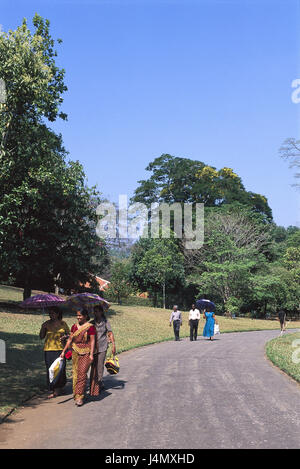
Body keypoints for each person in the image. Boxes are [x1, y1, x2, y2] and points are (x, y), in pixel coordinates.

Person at [60, 309, 96, 406]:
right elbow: (70, 339)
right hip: (75, 351)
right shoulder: (74, 326)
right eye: (77, 315)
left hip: (86, 352)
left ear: (85, 316)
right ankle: (76, 393)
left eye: (80, 315)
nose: (78, 317)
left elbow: (92, 341)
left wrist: (92, 354)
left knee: (82, 373)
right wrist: (64, 351)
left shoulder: (90, 327)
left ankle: (80, 396)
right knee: (75, 372)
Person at [39, 307, 70, 399]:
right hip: (49, 350)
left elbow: (69, 335)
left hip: (61, 349)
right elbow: (41, 336)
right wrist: (43, 328)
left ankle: (60, 387)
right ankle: (54, 389)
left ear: (57, 314)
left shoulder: (63, 324)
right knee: (51, 369)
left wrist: (65, 337)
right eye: (50, 313)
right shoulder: (46, 324)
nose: (51, 315)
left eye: (52, 313)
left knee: (61, 369)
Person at [89, 304, 116, 396]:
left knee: (99, 366)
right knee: (93, 366)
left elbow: (110, 333)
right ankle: (94, 383)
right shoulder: (91, 323)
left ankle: (99, 383)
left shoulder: (105, 322)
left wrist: (113, 345)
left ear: (101, 312)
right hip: (93, 348)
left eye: (97, 311)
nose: (95, 313)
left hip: (102, 346)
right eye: (94, 311)